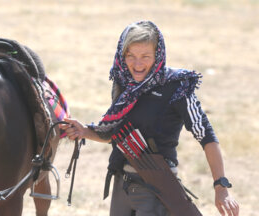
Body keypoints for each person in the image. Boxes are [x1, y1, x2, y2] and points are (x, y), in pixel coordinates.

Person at [60, 21, 239, 216]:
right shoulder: (124, 84)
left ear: (158, 55)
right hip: (122, 187)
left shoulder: (177, 87)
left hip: (157, 188)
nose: (137, 64)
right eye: (131, 56)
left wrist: (221, 187)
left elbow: (206, 136)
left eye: (145, 56)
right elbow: (116, 133)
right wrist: (84, 131)